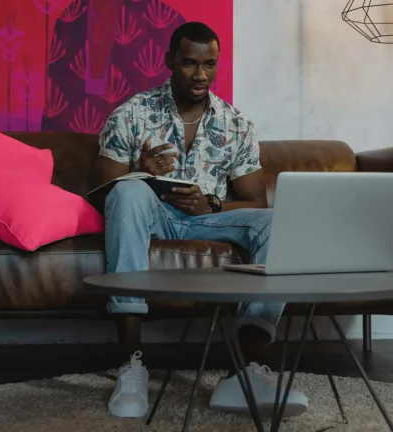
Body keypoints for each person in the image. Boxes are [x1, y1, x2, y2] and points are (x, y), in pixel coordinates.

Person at [94, 21, 309, 419]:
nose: (200, 75)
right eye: (190, 63)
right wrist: (138, 173)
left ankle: (243, 371)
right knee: (127, 191)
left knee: (276, 221)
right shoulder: (131, 114)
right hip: (152, 216)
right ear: (170, 61)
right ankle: (131, 364)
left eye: (209, 64)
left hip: (206, 221)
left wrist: (210, 205)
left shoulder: (236, 124)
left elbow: (254, 201)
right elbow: (104, 194)